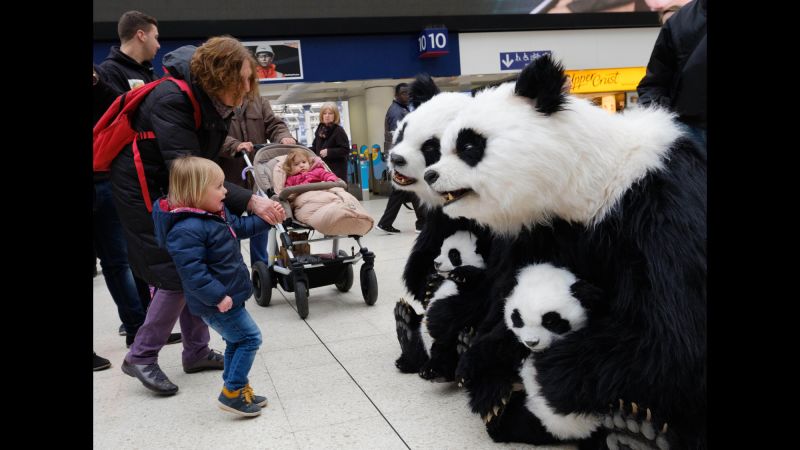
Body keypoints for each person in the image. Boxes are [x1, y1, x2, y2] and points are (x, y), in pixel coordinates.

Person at [111, 36, 286, 395]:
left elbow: (200, 158)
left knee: (196, 261)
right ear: (221, 74)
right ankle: (141, 355)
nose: (248, 86)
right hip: (148, 190)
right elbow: (187, 167)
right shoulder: (173, 98)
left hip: (179, 185)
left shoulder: (206, 98)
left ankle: (196, 351)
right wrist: (250, 201)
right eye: (243, 78)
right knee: (176, 273)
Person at [93, 10, 181, 350]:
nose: (159, 45)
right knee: (121, 259)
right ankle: (139, 325)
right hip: (112, 177)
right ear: (141, 34)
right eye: (156, 37)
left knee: (131, 256)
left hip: (136, 177)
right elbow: (118, 112)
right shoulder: (109, 73)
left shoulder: (147, 73)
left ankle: (144, 326)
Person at [153, 156, 268, 416]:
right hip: (216, 301)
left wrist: (266, 220)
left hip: (229, 295)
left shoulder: (217, 213)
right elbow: (193, 273)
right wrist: (217, 295)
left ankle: (236, 388)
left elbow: (239, 227)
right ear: (195, 191)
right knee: (250, 338)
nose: (226, 191)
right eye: (218, 186)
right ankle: (232, 392)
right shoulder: (185, 230)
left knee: (235, 341)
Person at [221, 95, 296, 267]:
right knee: (231, 228)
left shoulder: (259, 102)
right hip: (229, 179)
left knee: (262, 221)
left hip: (257, 176)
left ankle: (260, 269)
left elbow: (274, 124)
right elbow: (212, 135)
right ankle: (235, 269)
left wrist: (283, 136)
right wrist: (234, 145)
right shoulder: (218, 101)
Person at [636, 0, 706, 148]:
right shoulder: (678, 22)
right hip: (692, 134)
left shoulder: (679, 21)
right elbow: (654, 84)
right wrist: (661, 124)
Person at [377, 83, 426, 234]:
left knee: (407, 189)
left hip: (402, 157)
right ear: (396, 95)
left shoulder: (401, 109)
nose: (407, 96)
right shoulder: (396, 112)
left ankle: (387, 223)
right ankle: (421, 223)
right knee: (410, 188)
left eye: (408, 93)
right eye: (404, 93)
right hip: (401, 158)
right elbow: (396, 137)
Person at [309, 102, 350, 183]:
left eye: (330, 113)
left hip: (336, 170)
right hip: (322, 170)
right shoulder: (320, 130)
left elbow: (345, 150)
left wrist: (329, 152)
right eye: (324, 113)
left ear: (335, 115)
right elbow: (314, 147)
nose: (327, 116)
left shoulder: (338, 130)